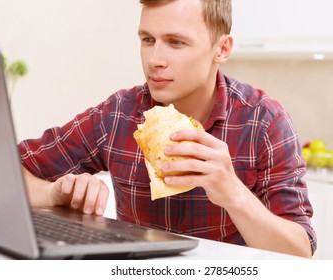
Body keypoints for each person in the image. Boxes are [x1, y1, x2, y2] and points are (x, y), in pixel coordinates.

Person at [19, 0, 316, 258]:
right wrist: (54, 194)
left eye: (176, 42)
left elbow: (299, 251)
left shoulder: (264, 121)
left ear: (222, 49)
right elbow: (3, 174)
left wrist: (233, 193)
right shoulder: (117, 115)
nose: (154, 60)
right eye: (148, 39)